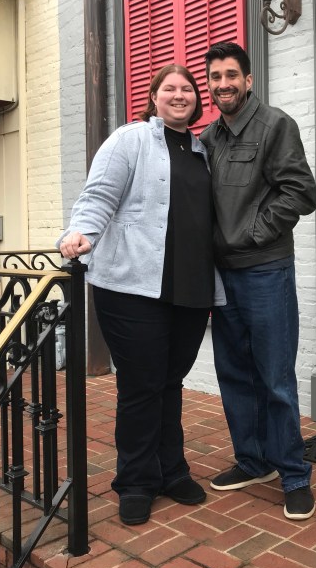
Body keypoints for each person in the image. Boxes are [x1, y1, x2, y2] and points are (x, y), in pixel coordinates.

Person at [58, 64, 225, 526]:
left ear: (197, 100)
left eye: (187, 89)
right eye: (169, 88)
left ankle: (172, 471)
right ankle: (135, 481)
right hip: (133, 286)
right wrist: (81, 232)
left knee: (170, 383)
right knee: (141, 386)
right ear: (154, 98)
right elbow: (98, 195)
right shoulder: (130, 140)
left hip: (191, 286)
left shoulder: (203, 151)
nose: (179, 95)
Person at [200, 41, 316, 520]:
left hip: (266, 270)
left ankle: (294, 476)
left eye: (232, 75)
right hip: (221, 276)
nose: (223, 84)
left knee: (275, 377)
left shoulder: (275, 125)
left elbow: (301, 192)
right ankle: (253, 461)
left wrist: (252, 233)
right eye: (215, 77)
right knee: (234, 374)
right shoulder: (208, 139)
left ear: (248, 80)